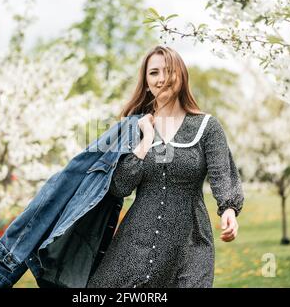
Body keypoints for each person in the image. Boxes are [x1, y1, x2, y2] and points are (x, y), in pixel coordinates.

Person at [86, 45, 244, 288]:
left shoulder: (207, 127)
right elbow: (120, 187)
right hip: (135, 244)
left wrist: (229, 210)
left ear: (181, 75)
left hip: (190, 243)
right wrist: (146, 139)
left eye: (168, 71)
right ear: (146, 81)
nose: (162, 79)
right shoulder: (134, 127)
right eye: (154, 73)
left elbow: (222, 175)